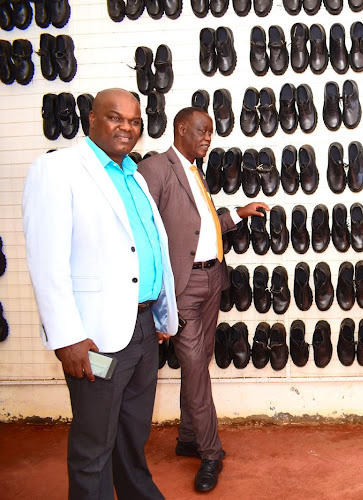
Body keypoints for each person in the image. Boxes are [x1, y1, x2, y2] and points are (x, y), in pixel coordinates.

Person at [22, 88, 177, 499]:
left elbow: (146, 247)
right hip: (95, 338)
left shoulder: (134, 175)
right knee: (94, 444)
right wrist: (66, 336)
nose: (126, 127)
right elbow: (46, 260)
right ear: (91, 119)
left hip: (143, 328)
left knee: (132, 434)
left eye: (134, 121)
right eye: (115, 118)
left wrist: (160, 313)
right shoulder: (57, 170)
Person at [138, 107, 268, 493]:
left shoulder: (195, 170)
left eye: (210, 132)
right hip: (184, 286)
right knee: (196, 367)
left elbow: (201, 225)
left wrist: (238, 215)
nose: (209, 138)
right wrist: (158, 297)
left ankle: (186, 437)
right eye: (202, 130)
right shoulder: (156, 170)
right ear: (181, 129)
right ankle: (210, 453)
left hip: (213, 278)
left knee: (198, 362)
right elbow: (147, 236)